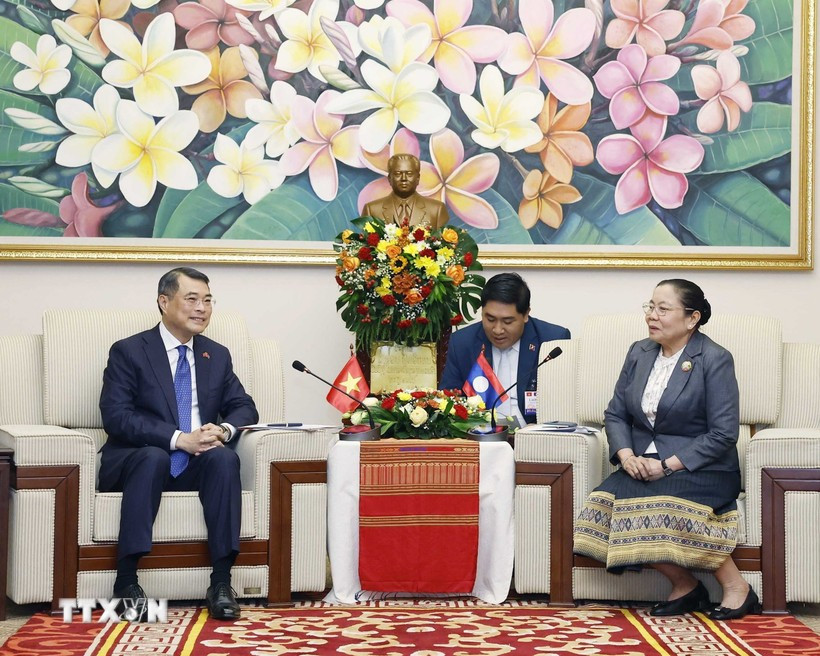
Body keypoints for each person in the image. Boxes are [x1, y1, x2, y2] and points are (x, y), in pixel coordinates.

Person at [573, 279, 759, 620]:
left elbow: (723, 434)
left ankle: (738, 589)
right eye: (650, 306)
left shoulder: (714, 358)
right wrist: (627, 457)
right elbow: (615, 413)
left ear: (692, 318)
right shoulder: (639, 352)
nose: (652, 316)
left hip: (704, 469)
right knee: (601, 505)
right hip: (643, 462)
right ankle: (686, 586)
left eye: (663, 308)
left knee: (659, 505)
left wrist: (668, 465)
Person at [98, 267, 258, 621]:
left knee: (224, 461)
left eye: (207, 300)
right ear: (164, 302)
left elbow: (244, 405)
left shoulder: (215, 355)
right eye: (192, 299)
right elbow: (116, 416)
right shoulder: (130, 351)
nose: (202, 308)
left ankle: (220, 582)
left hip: (196, 461)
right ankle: (126, 581)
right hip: (141, 460)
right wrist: (178, 439)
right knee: (154, 456)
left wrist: (223, 431)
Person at [439, 273, 570, 425]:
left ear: (526, 314)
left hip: (534, 436)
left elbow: (564, 403)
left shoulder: (552, 340)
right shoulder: (463, 342)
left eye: (507, 321)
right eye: (490, 319)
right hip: (481, 435)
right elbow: (449, 400)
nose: (497, 330)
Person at [361, 153, 449, 229]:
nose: (404, 178)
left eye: (409, 173)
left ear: (418, 178)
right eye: (398, 174)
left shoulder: (436, 210)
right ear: (389, 178)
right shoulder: (372, 210)